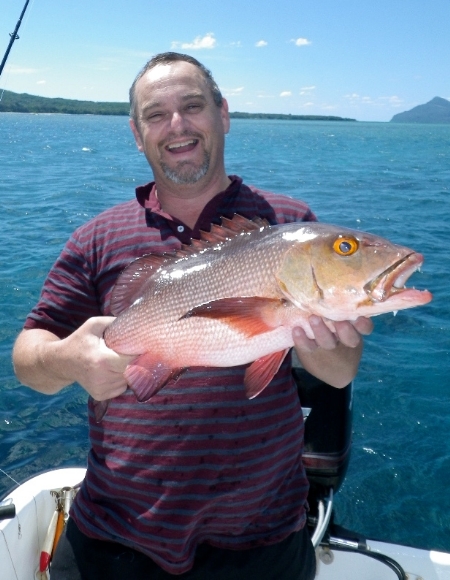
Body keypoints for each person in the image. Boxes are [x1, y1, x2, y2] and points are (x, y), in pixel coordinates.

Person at [12, 52, 373, 580]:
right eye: (156, 115)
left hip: (261, 541)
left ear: (223, 114)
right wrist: (69, 358)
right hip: (114, 535)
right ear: (137, 134)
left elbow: (338, 374)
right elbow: (27, 358)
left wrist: (326, 332)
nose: (176, 125)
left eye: (193, 106)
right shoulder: (96, 238)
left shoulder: (289, 225)